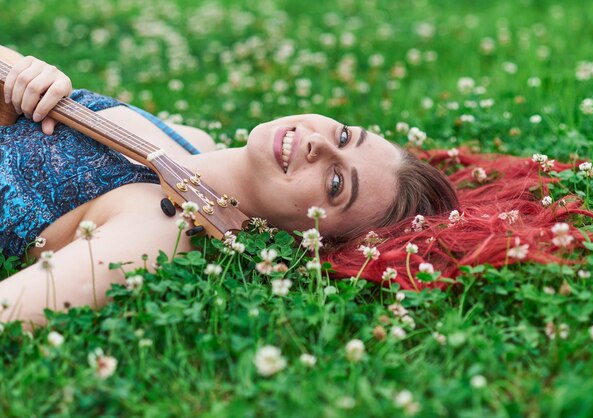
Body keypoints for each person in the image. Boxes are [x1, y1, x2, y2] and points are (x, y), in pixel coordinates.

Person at [0, 46, 459, 328]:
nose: (319, 142)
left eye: (336, 182)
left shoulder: (162, 228)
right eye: (343, 135)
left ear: (309, 239)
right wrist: (24, 74)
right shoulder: (187, 141)